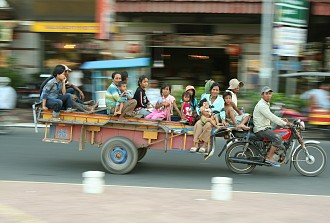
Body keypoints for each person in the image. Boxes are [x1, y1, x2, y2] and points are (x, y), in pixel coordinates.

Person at [253, 86, 291, 167]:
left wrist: (281, 119)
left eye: (270, 94)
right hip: (261, 129)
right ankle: (269, 157)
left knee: (278, 134)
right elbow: (271, 117)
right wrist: (284, 123)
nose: (269, 95)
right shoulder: (261, 105)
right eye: (267, 93)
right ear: (262, 95)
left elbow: (270, 115)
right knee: (278, 138)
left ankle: (273, 152)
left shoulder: (265, 103)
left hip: (264, 127)